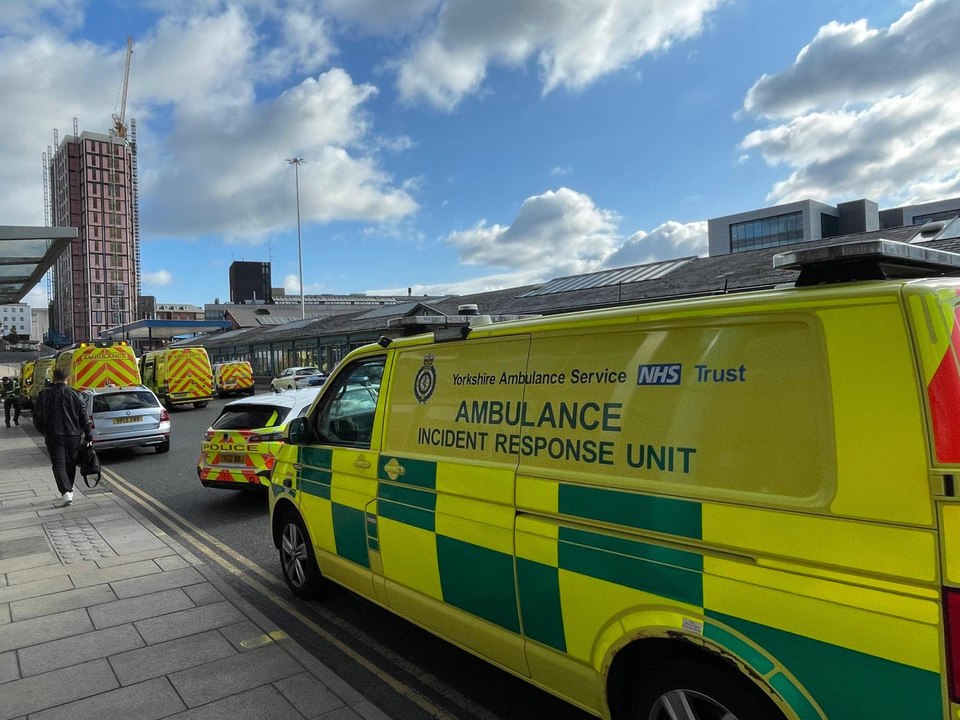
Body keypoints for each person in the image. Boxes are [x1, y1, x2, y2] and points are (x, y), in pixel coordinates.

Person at [34, 368, 92, 506]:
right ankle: (69, 491)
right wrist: (88, 435)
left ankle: (66, 491)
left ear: (54, 378)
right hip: (73, 435)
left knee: (58, 464)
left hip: (54, 435)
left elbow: (37, 418)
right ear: (68, 378)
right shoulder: (76, 395)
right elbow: (84, 417)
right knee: (70, 463)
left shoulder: (44, 395)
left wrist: (44, 431)